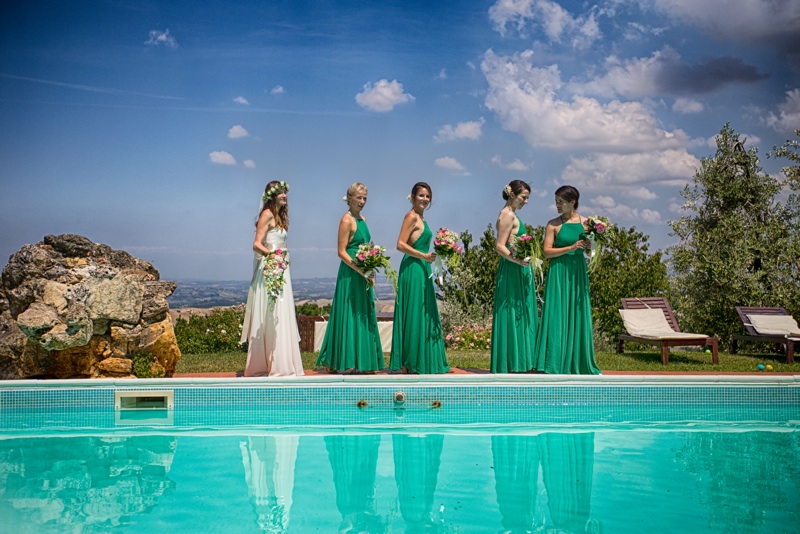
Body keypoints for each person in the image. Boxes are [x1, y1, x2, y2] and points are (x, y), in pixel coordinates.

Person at [315, 183, 384, 373]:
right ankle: (338, 361)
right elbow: (341, 252)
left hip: (363, 274)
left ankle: (366, 362)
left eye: (365, 199)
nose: (362, 202)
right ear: (349, 198)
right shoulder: (346, 220)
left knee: (363, 315)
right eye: (359, 198)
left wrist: (370, 267)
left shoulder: (363, 219)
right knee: (348, 314)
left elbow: (366, 247)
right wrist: (360, 270)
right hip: (350, 272)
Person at [533, 185, 601, 374]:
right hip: (558, 272)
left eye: (561, 202)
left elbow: (589, 252)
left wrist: (589, 247)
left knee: (577, 312)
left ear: (573, 202)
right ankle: (553, 362)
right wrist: (570, 248)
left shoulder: (588, 223)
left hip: (577, 272)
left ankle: (578, 361)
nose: (557, 206)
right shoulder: (552, 224)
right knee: (556, 313)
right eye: (556, 202)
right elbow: (547, 252)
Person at [240, 181, 304, 377]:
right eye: (281, 192)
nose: (285, 195)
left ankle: (284, 362)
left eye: (286, 192)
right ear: (272, 195)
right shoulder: (267, 215)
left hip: (281, 269)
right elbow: (256, 244)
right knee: (272, 312)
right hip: (271, 269)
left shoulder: (280, 217)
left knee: (281, 312)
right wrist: (273, 256)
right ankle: (269, 363)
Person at [389, 182, 450, 374]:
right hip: (413, 268)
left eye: (427, 196)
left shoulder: (423, 219)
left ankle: (423, 360)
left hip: (424, 268)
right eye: (421, 195)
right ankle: (410, 362)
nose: (424, 199)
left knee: (424, 313)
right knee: (414, 312)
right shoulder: (411, 217)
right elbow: (399, 244)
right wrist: (423, 256)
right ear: (413, 197)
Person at [490, 180, 538, 373]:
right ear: (512, 195)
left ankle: (523, 360)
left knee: (521, 312)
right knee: (513, 312)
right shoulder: (507, 215)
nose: (526, 202)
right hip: (512, 270)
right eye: (523, 197)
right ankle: (513, 362)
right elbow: (499, 246)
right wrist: (518, 261)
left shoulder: (512, 214)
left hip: (518, 269)